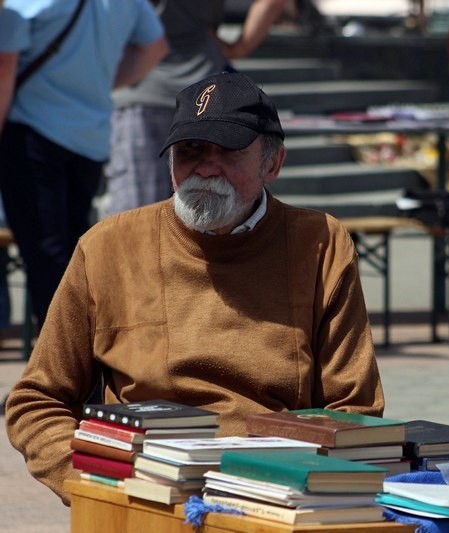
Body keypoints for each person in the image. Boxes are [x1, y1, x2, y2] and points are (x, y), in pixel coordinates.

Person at [5, 72, 385, 504]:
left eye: (228, 151)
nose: (205, 167)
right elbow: (36, 402)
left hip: (276, 493)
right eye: (190, 151)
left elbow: (354, 410)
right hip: (142, 494)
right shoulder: (108, 248)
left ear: (273, 163)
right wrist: (96, 483)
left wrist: (295, 491)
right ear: (169, 165)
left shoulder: (319, 243)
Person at [0, 0, 168, 328]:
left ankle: (65, 357)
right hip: (90, 134)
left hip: (32, 130)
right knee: (73, 251)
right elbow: (154, 47)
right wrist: (98, 83)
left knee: (47, 256)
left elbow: (5, 63)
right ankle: (84, 352)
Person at [102, 0, 289, 218]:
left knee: (137, 220)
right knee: (215, 214)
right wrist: (242, 45)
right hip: (205, 86)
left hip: (145, 83)